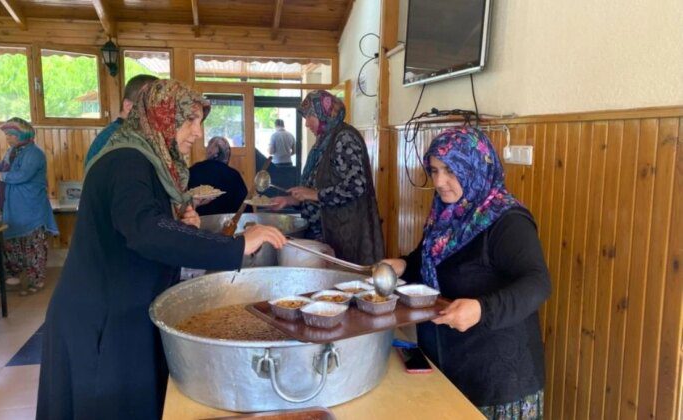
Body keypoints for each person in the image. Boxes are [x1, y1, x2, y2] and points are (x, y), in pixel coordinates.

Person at [36, 80, 286, 420]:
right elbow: (146, 232)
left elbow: (145, 225)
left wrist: (180, 225)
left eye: (200, 121)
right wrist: (237, 245)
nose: (198, 132)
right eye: (189, 121)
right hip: (100, 320)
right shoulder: (127, 161)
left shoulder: (147, 159)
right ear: (162, 117)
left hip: (121, 308)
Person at [380, 127, 551, 419]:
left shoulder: (507, 221)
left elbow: (537, 284)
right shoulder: (447, 215)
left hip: (498, 379)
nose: (439, 182)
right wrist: (403, 265)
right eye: (434, 171)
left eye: (450, 170)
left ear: (474, 166)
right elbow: (428, 261)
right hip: (449, 363)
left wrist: (482, 310)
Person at [270, 90, 384, 265]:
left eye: (310, 117)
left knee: (346, 286)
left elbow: (356, 185)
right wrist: (289, 200)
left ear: (324, 113)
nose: (307, 124)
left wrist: (313, 194)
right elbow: (315, 187)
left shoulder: (344, 138)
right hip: (325, 233)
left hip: (347, 234)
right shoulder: (323, 141)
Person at [0, 118, 59, 296]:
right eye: (6, 134)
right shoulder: (12, 151)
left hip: (29, 207)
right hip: (7, 205)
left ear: (23, 134)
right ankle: (12, 279)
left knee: (32, 244)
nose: (7, 137)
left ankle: (36, 280)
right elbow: (3, 167)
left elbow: (22, 175)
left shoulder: (34, 154)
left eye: (11, 134)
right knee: (10, 244)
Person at [84, 74, 159, 167]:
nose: (158, 112)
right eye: (150, 104)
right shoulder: (119, 139)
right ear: (128, 106)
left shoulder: (129, 133)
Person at [188, 136, 248, 215]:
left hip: (196, 222)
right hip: (227, 223)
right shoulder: (233, 175)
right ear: (227, 154)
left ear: (208, 151)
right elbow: (245, 206)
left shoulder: (193, 170)